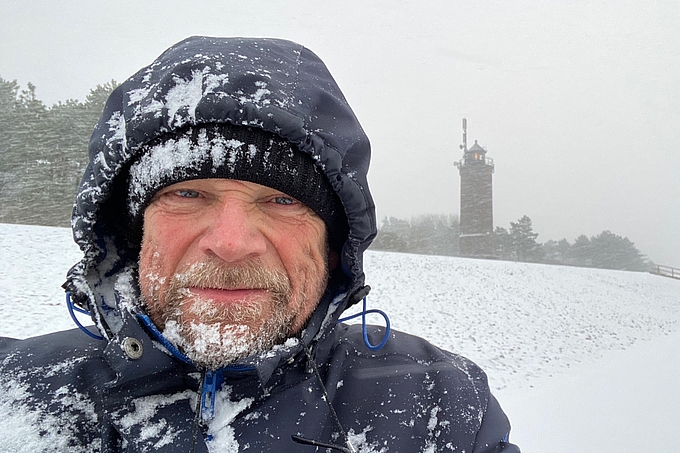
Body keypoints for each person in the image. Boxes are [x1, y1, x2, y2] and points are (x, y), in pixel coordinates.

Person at [0, 36, 519, 452]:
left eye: (281, 202)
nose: (230, 244)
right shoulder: (15, 392)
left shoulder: (444, 406)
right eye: (187, 193)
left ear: (335, 244)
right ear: (133, 235)